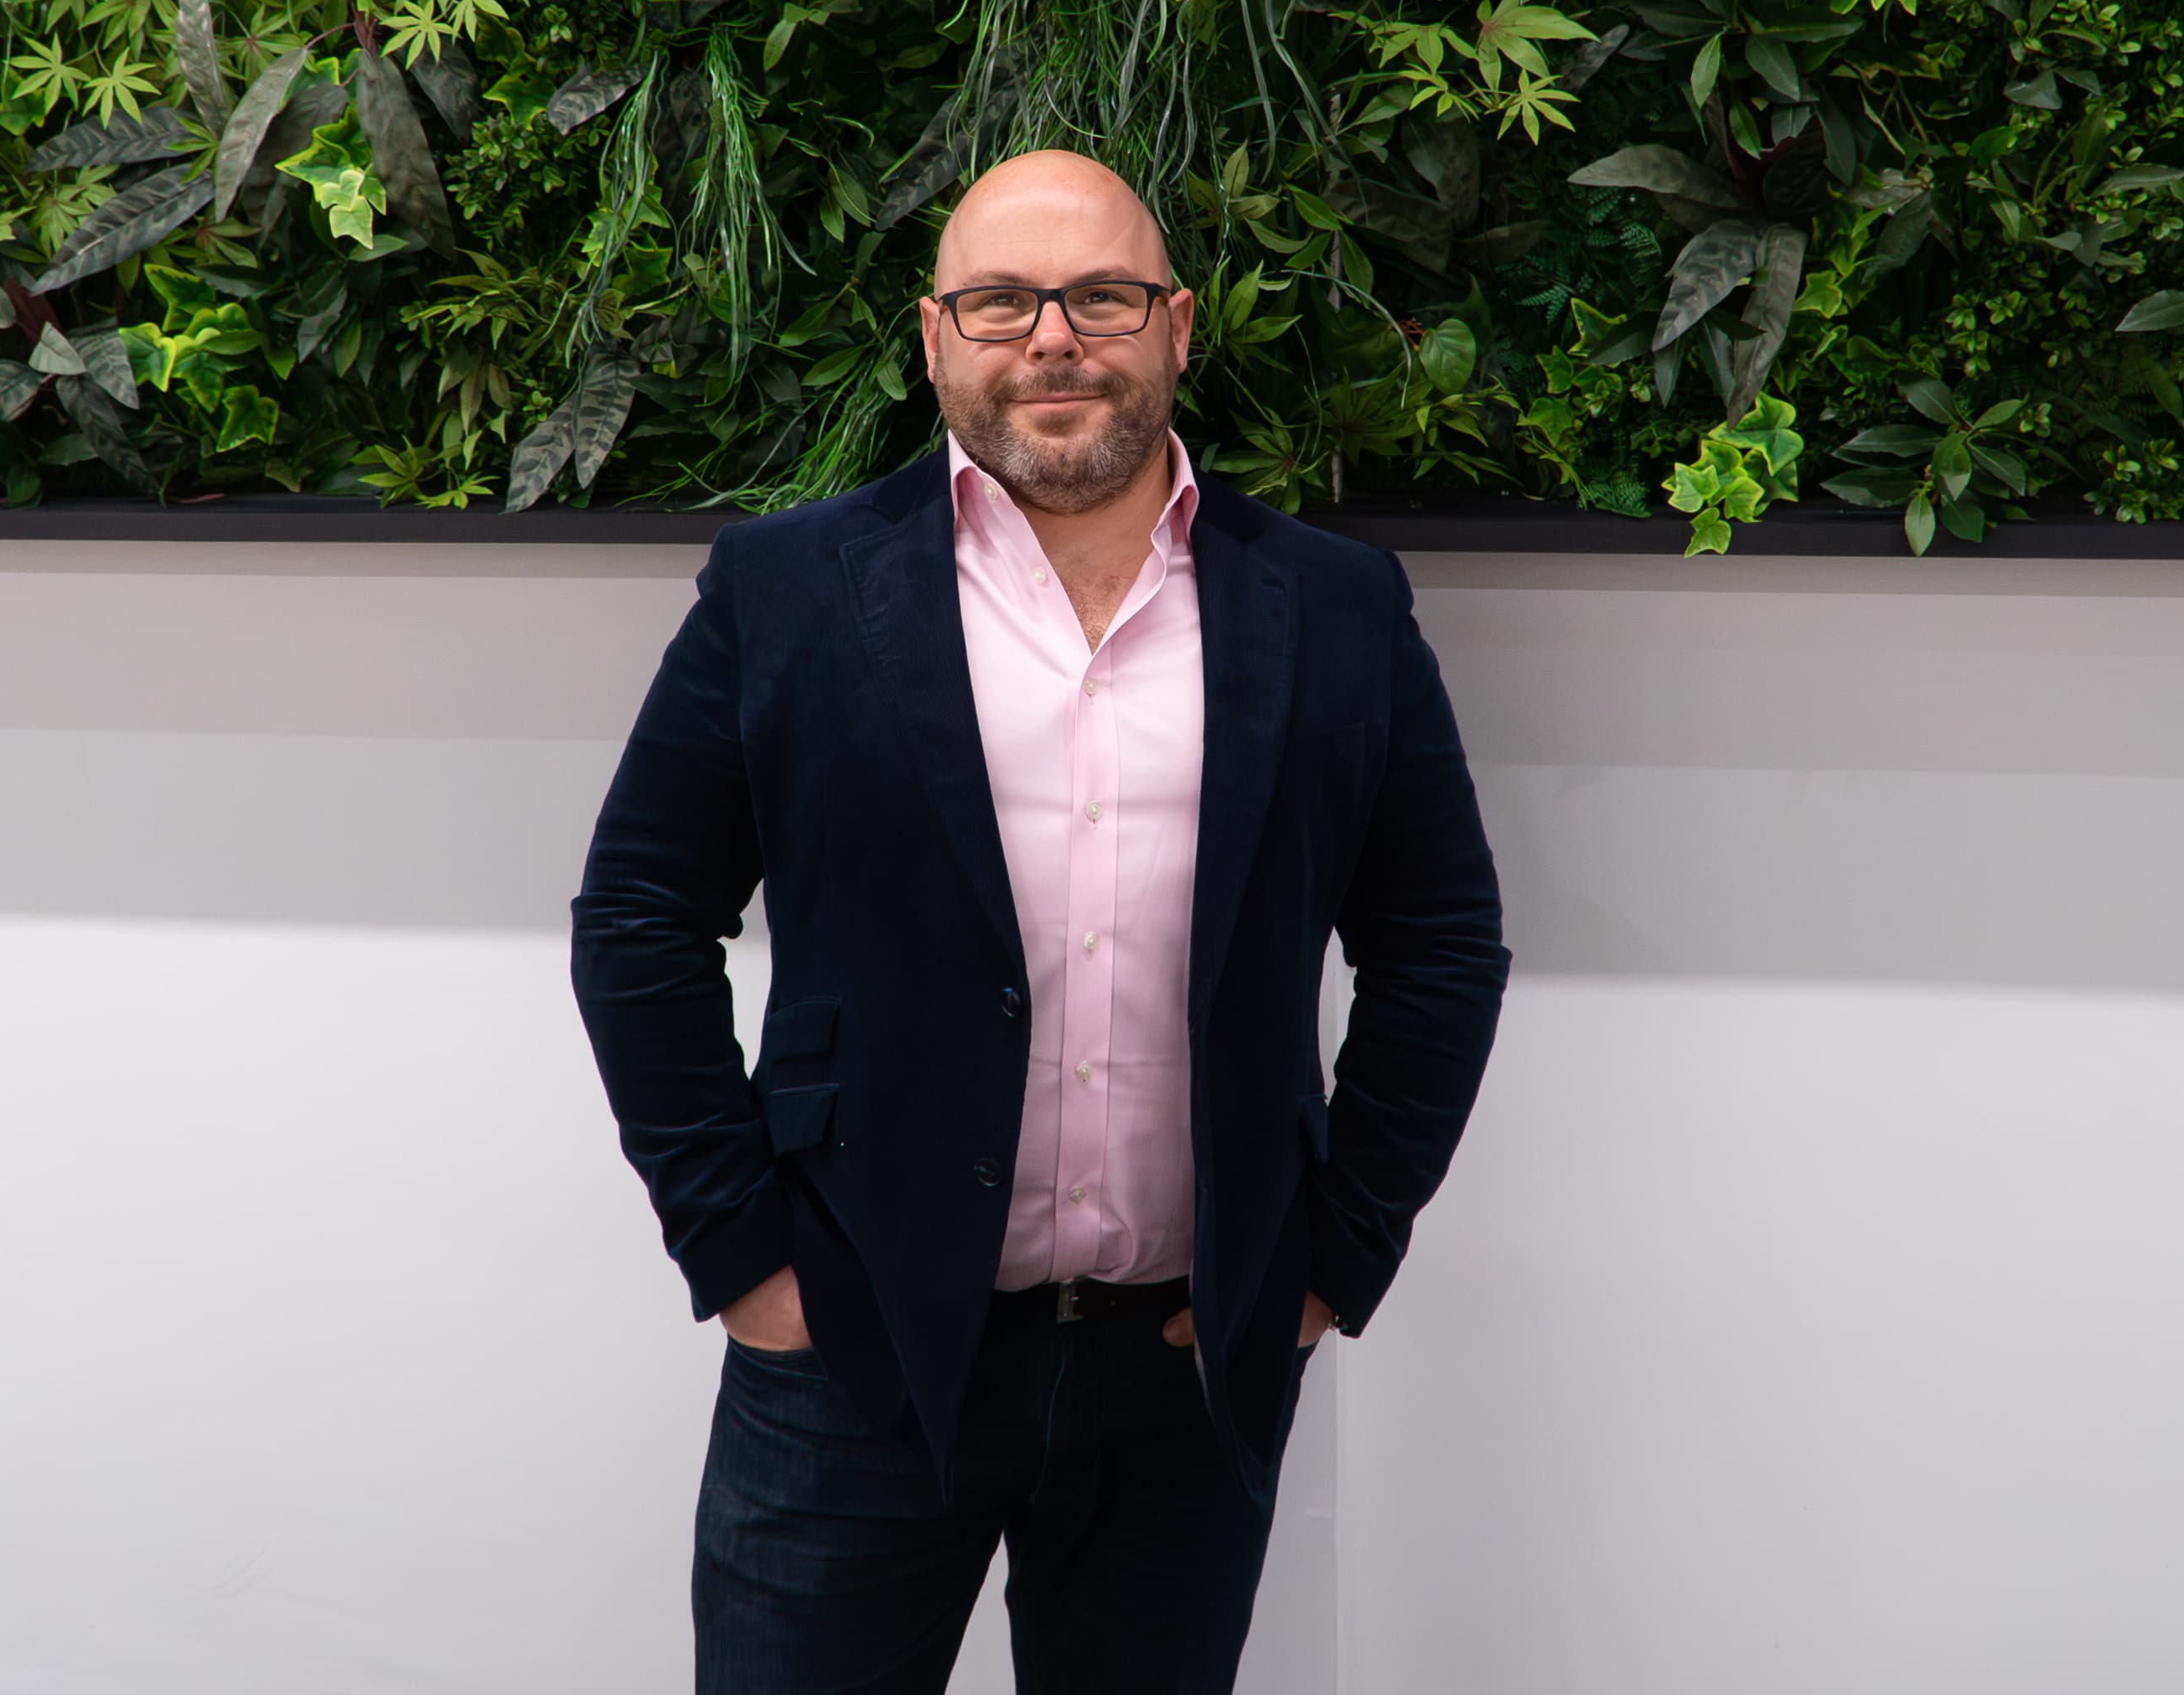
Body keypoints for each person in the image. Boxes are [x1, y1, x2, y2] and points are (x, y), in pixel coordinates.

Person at [572, 147, 1509, 1693]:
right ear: (934, 337)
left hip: (1184, 1382)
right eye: (1002, 301)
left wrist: (1335, 1255)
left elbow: (1441, 945)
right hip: (853, 1360)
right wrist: (738, 1248)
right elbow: (638, 917)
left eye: (1103, 297)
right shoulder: (786, 590)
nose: (1053, 337)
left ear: (1180, 326)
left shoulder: (1333, 607)